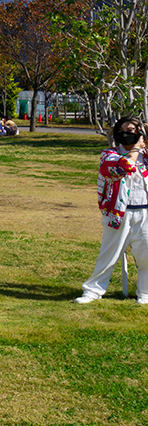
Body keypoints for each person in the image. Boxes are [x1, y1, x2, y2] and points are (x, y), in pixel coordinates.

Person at [75, 116, 148, 304]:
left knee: (146, 256)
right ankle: (92, 291)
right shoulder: (109, 155)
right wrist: (136, 149)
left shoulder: (146, 156)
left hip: (144, 213)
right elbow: (123, 167)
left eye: (132, 130)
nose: (127, 133)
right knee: (109, 255)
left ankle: (145, 293)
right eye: (123, 130)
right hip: (118, 214)